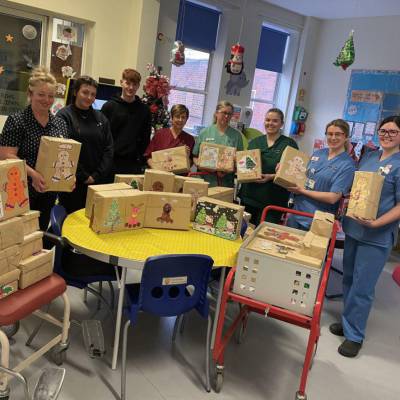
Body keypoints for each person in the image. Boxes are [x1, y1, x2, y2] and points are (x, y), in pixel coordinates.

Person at [330, 115, 400, 358]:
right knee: (348, 278)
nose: (387, 135)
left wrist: (378, 222)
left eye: (393, 131)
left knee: (363, 285)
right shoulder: (370, 157)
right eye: (383, 130)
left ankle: (354, 335)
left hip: (377, 234)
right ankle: (348, 320)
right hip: (354, 228)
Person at [0, 67, 69, 230]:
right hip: (20, 193)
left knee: (39, 237)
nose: (46, 100)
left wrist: (66, 179)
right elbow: (6, 156)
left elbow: (64, 155)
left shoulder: (59, 123)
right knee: (20, 239)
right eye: (41, 94)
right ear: (30, 94)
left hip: (48, 192)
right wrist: (33, 175)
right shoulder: (17, 121)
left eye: (51, 96)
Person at [56, 76, 113, 213]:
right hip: (73, 183)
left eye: (93, 94)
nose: (89, 97)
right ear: (76, 92)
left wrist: (96, 175)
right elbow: (64, 149)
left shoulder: (101, 118)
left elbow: (109, 148)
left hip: (97, 183)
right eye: (85, 92)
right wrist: (83, 176)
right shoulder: (64, 116)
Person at [286, 119, 356, 230]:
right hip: (295, 212)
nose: (333, 138)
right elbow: (301, 174)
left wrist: (302, 191)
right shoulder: (318, 153)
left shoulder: (348, 165)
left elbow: (333, 198)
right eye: (330, 134)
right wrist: (284, 167)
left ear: (346, 136)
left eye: (338, 134)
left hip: (317, 220)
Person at [239, 108, 298, 225]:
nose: (270, 123)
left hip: (273, 200)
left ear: (281, 123)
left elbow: (294, 173)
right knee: (245, 231)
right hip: (250, 196)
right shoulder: (255, 142)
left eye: (275, 121)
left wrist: (272, 176)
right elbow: (245, 166)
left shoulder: (289, 144)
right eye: (267, 120)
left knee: (264, 236)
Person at [101, 68, 151, 177]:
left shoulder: (144, 110)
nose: (131, 88)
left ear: (138, 86)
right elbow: (102, 136)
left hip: (133, 165)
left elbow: (145, 138)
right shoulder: (109, 107)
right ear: (121, 83)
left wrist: (140, 158)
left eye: (134, 84)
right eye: (128, 83)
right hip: (111, 163)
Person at [192, 101, 243, 187]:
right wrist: (202, 165)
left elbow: (240, 161)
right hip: (205, 181)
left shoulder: (236, 136)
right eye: (224, 113)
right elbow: (195, 157)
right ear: (216, 113)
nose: (226, 116)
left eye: (229, 114)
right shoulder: (205, 133)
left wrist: (229, 169)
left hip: (226, 183)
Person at [144, 104, 194, 169]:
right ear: (172, 118)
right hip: (159, 175)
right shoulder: (160, 134)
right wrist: (157, 168)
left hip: (178, 176)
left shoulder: (189, 139)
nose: (180, 120)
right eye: (177, 116)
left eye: (183, 117)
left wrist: (186, 157)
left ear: (186, 119)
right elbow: (148, 156)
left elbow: (190, 163)